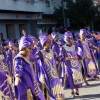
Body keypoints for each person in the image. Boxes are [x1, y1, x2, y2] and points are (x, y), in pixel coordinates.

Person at [14, 36, 45, 100]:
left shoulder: (26, 57)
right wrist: (17, 76)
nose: (31, 50)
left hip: (32, 83)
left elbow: (34, 58)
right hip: (25, 85)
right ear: (23, 48)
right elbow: (18, 67)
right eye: (29, 48)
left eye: (31, 48)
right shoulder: (19, 58)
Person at [35, 35, 65, 100]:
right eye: (47, 43)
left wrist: (62, 57)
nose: (49, 44)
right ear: (43, 44)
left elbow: (58, 59)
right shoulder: (40, 53)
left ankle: (58, 97)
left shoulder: (52, 51)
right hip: (46, 74)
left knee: (56, 86)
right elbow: (34, 60)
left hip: (54, 73)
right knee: (47, 88)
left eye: (49, 43)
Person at [59, 31, 84, 98]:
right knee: (70, 78)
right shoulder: (63, 47)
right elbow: (60, 58)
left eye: (72, 38)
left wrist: (80, 57)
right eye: (70, 39)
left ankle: (77, 89)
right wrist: (70, 58)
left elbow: (76, 54)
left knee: (77, 76)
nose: (72, 40)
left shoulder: (74, 46)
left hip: (76, 65)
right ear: (67, 40)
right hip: (68, 66)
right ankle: (72, 91)